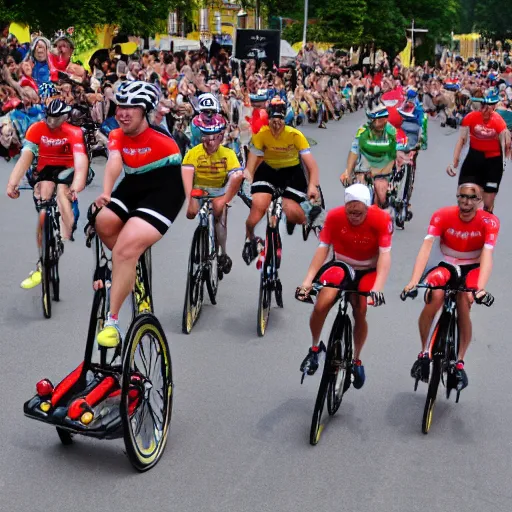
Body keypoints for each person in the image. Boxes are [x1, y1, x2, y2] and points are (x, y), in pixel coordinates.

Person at [93, 81, 186, 348]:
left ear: (144, 111)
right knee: (103, 221)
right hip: (133, 184)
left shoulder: (163, 140)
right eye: (120, 106)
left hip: (165, 189)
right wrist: (107, 193)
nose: (122, 113)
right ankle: (131, 267)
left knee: (124, 248)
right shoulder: (116, 135)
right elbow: (114, 162)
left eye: (131, 108)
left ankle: (112, 322)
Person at [402, 182, 499, 390]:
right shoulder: (442, 215)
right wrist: (413, 280)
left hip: (472, 267)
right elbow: (427, 246)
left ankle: (460, 361)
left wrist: (480, 288)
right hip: (445, 261)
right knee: (435, 295)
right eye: (462, 197)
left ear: (479, 201)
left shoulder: (489, 222)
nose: (466, 202)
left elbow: (488, 256)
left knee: (464, 300)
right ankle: (424, 352)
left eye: (472, 198)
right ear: (457, 197)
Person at [296, 184, 392, 389]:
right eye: (350, 210)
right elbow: (322, 249)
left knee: (360, 309)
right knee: (322, 302)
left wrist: (379, 287)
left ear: (368, 207)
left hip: (368, 269)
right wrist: (307, 281)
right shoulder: (334, 216)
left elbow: (385, 255)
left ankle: (356, 359)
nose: (354, 215)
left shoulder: (382, 219)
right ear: (345, 206)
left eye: (359, 211)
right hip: (342, 264)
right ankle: (314, 349)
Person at [6, 99, 89, 288]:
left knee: (62, 192)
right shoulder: (36, 129)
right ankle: (44, 246)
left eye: (56, 118)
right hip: (46, 169)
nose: (52, 122)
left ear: (65, 117)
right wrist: (12, 183)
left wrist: (76, 185)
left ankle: (62, 230)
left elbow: (81, 160)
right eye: (49, 118)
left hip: (68, 169)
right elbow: (26, 157)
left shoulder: (74, 132)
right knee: (43, 189)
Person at [242, 97, 320, 264]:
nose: (276, 125)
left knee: (293, 211)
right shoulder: (261, 134)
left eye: (280, 120)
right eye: (273, 120)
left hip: (291, 173)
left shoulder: (295, 135)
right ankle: (250, 240)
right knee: (258, 207)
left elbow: (311, 166)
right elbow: (251, 165)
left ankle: (300, 216)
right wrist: (247, 177)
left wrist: (313, 185)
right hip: (268, 171)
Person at [182, 112, 244, 274]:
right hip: (199, 189)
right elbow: (187, 176)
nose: (209, 141)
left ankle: (222, 253)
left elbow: (236, 177)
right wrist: (190, 200)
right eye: (206, 137)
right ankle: (202, 239)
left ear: (221, 136)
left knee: (219, 212)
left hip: (219, 190)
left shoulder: (228, 154)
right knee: (191, 213)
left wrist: (225, 199)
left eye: (214, 137)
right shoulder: (193, 153)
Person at [447, 90, 509, 213]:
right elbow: (462, 141)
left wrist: (504, 164)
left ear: (493, 108)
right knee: (464, 197)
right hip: (474, 157)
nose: (485, 111)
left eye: (489, 108)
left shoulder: (499, 123)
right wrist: (454, 163)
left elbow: (506, 147)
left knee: (487, 204)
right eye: (483, 107)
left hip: (493, 162)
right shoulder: (470, 118)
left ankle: (487, 220)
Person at [340, 104, 397, 210]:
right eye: (378, 119)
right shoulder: (363, 130)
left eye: (383, 118)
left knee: (381, 195)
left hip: (383, 166)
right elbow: (354, 150)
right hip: (365, 166)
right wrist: (347, 171)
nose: (381, 122)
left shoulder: (391, 131)